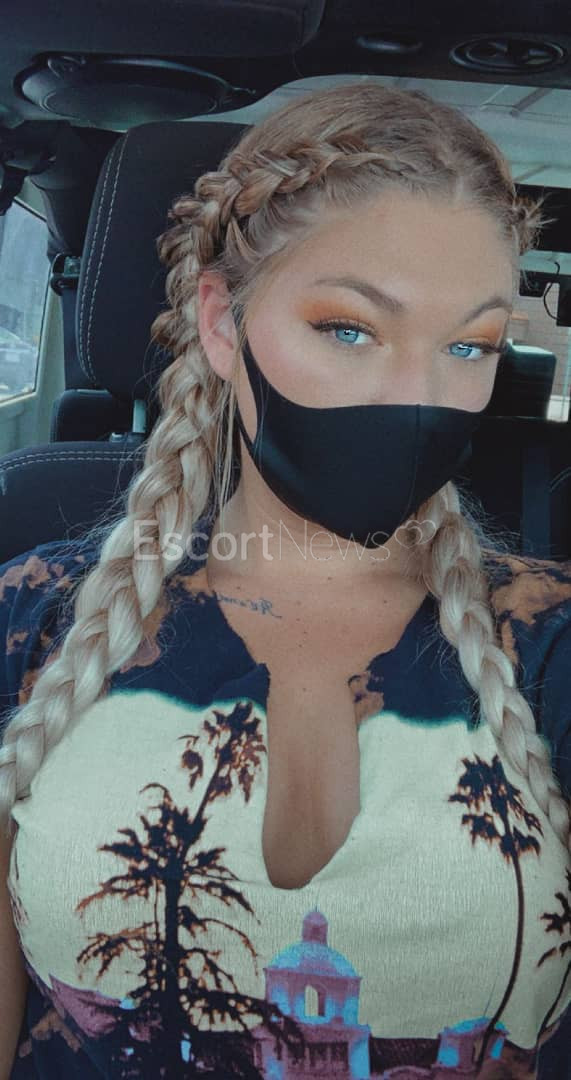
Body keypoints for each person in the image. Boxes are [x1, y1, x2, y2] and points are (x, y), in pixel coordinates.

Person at [0, 82, 569, 1079]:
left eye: (469, 346)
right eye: (347, 329)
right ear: (223, 324)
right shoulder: (32, 618)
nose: (417, 396)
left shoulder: (550, 641)